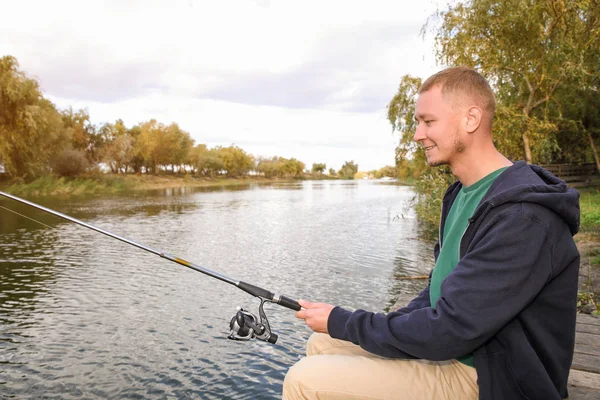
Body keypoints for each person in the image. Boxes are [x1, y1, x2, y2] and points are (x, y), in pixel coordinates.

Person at [282, 66, 580, 400]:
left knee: (303, 379)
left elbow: (449, 330)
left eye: (428, 121)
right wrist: (364, 323)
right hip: (461, 351)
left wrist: (345, 320)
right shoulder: (461, 194)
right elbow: (438, 291)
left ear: (470, 119)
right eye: (417, 122)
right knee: (321, 342)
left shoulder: (524, 217)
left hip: (494, 377)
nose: (417, 134)